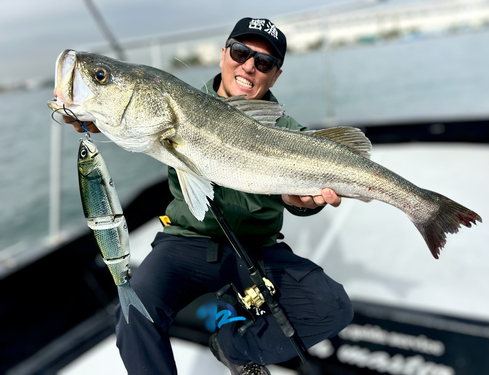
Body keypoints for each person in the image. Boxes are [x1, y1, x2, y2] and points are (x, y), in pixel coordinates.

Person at [65, 17, 353, 375]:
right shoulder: (176, 102)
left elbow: (300, 197)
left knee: (334, 306)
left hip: (256, 248)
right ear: (223, 55)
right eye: (240, 52)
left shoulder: (287, 130)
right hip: (186, 240)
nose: (248, 65)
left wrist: (302, 204)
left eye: (263, 62)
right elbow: (135, 121)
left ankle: (233, 344)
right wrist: (92, 114)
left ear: (275, 75)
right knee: (132, 310)